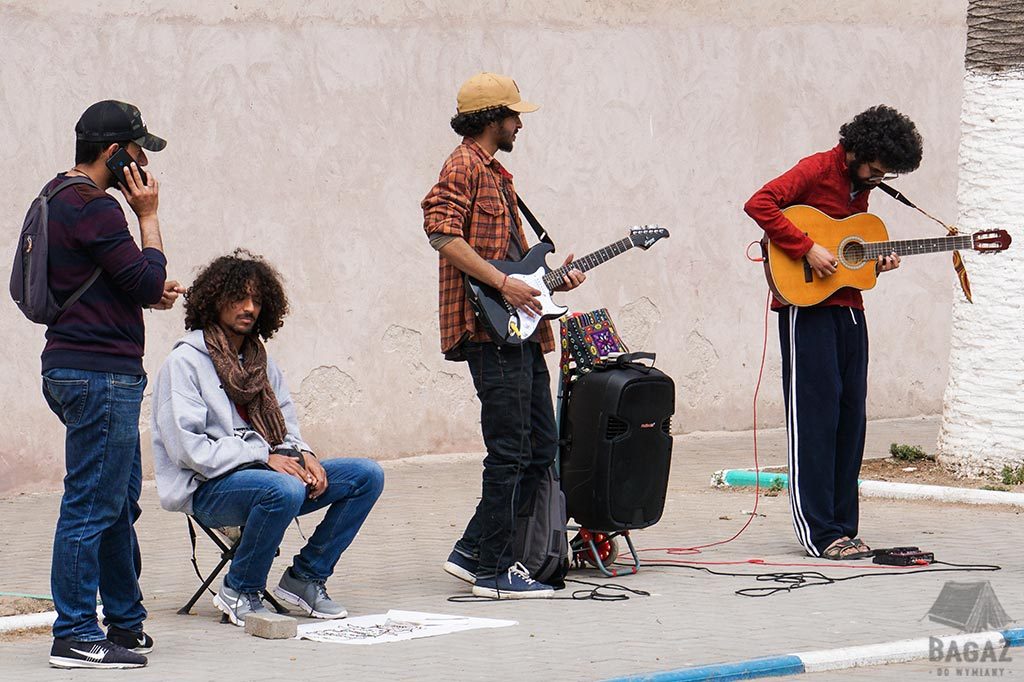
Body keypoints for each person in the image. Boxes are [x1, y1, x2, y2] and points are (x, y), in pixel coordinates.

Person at [151, 250, 384, 626]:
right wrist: (263, 457)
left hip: (266, 477)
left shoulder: (260, 361)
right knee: (284, 490)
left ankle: (305, 578)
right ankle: (240, 589)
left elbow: (287, 426)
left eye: (257, 300)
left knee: (365, 475)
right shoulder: (185, 364)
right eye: (239, 298)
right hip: (208, 488)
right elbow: (188, 450)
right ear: (214, 301)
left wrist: (302, 454)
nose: (249, 308)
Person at [421, 72, 585, 598]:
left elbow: (516, 266)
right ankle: (490, 568)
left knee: (540, 446)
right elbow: (440, 231)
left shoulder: (499, 174)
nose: (520, 123)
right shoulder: (463, 165)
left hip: (521, 333)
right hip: (489, 332)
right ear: (491, 118)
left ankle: (478, 553)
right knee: (511, 450)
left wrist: (552, 278)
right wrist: (503, 284)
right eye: (514, 115)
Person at [743, 105, 923, 560]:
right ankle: (820, 533)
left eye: (887, 174)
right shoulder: (817, 168)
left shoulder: (859, 185)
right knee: (815, 421)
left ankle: (846, 527)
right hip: (807, 311)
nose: (879, 180)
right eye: (877, 169)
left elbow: (849, 258)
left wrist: (877, 264)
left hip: (849, 312)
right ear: (859, 150)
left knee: (850, 422)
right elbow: (759, 202)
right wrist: (806, 248)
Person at [40, 100, 183, 670]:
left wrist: (144, 286)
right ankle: (74, 632)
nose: (143, 161)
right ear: (113, 153)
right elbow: (146, 279)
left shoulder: (54, 196)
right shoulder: (96, 208)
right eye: (137, 148)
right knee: (90, 505)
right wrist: (147, 214)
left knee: (117, 503)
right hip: (99, 372)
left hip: (79, 365)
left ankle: (123, 622)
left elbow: (124, 281)